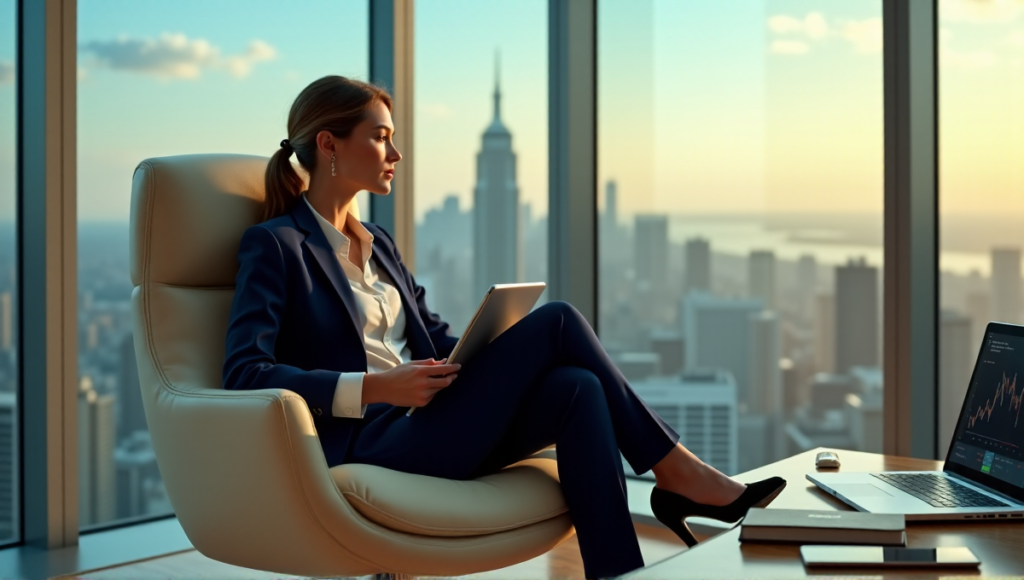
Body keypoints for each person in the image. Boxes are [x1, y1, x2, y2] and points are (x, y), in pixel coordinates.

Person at [222, 75, 786, 579]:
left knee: (578, 388)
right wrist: (376, 388)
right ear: (329, 145)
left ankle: (618, 574)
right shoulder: (276, 245)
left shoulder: (380, 244)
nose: (396, 152)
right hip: (372, 440)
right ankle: (680, 473)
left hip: (430, 418)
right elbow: (245, 373)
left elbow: (433, 336)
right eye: (380, 136)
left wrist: (489, 343)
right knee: (561, 320)